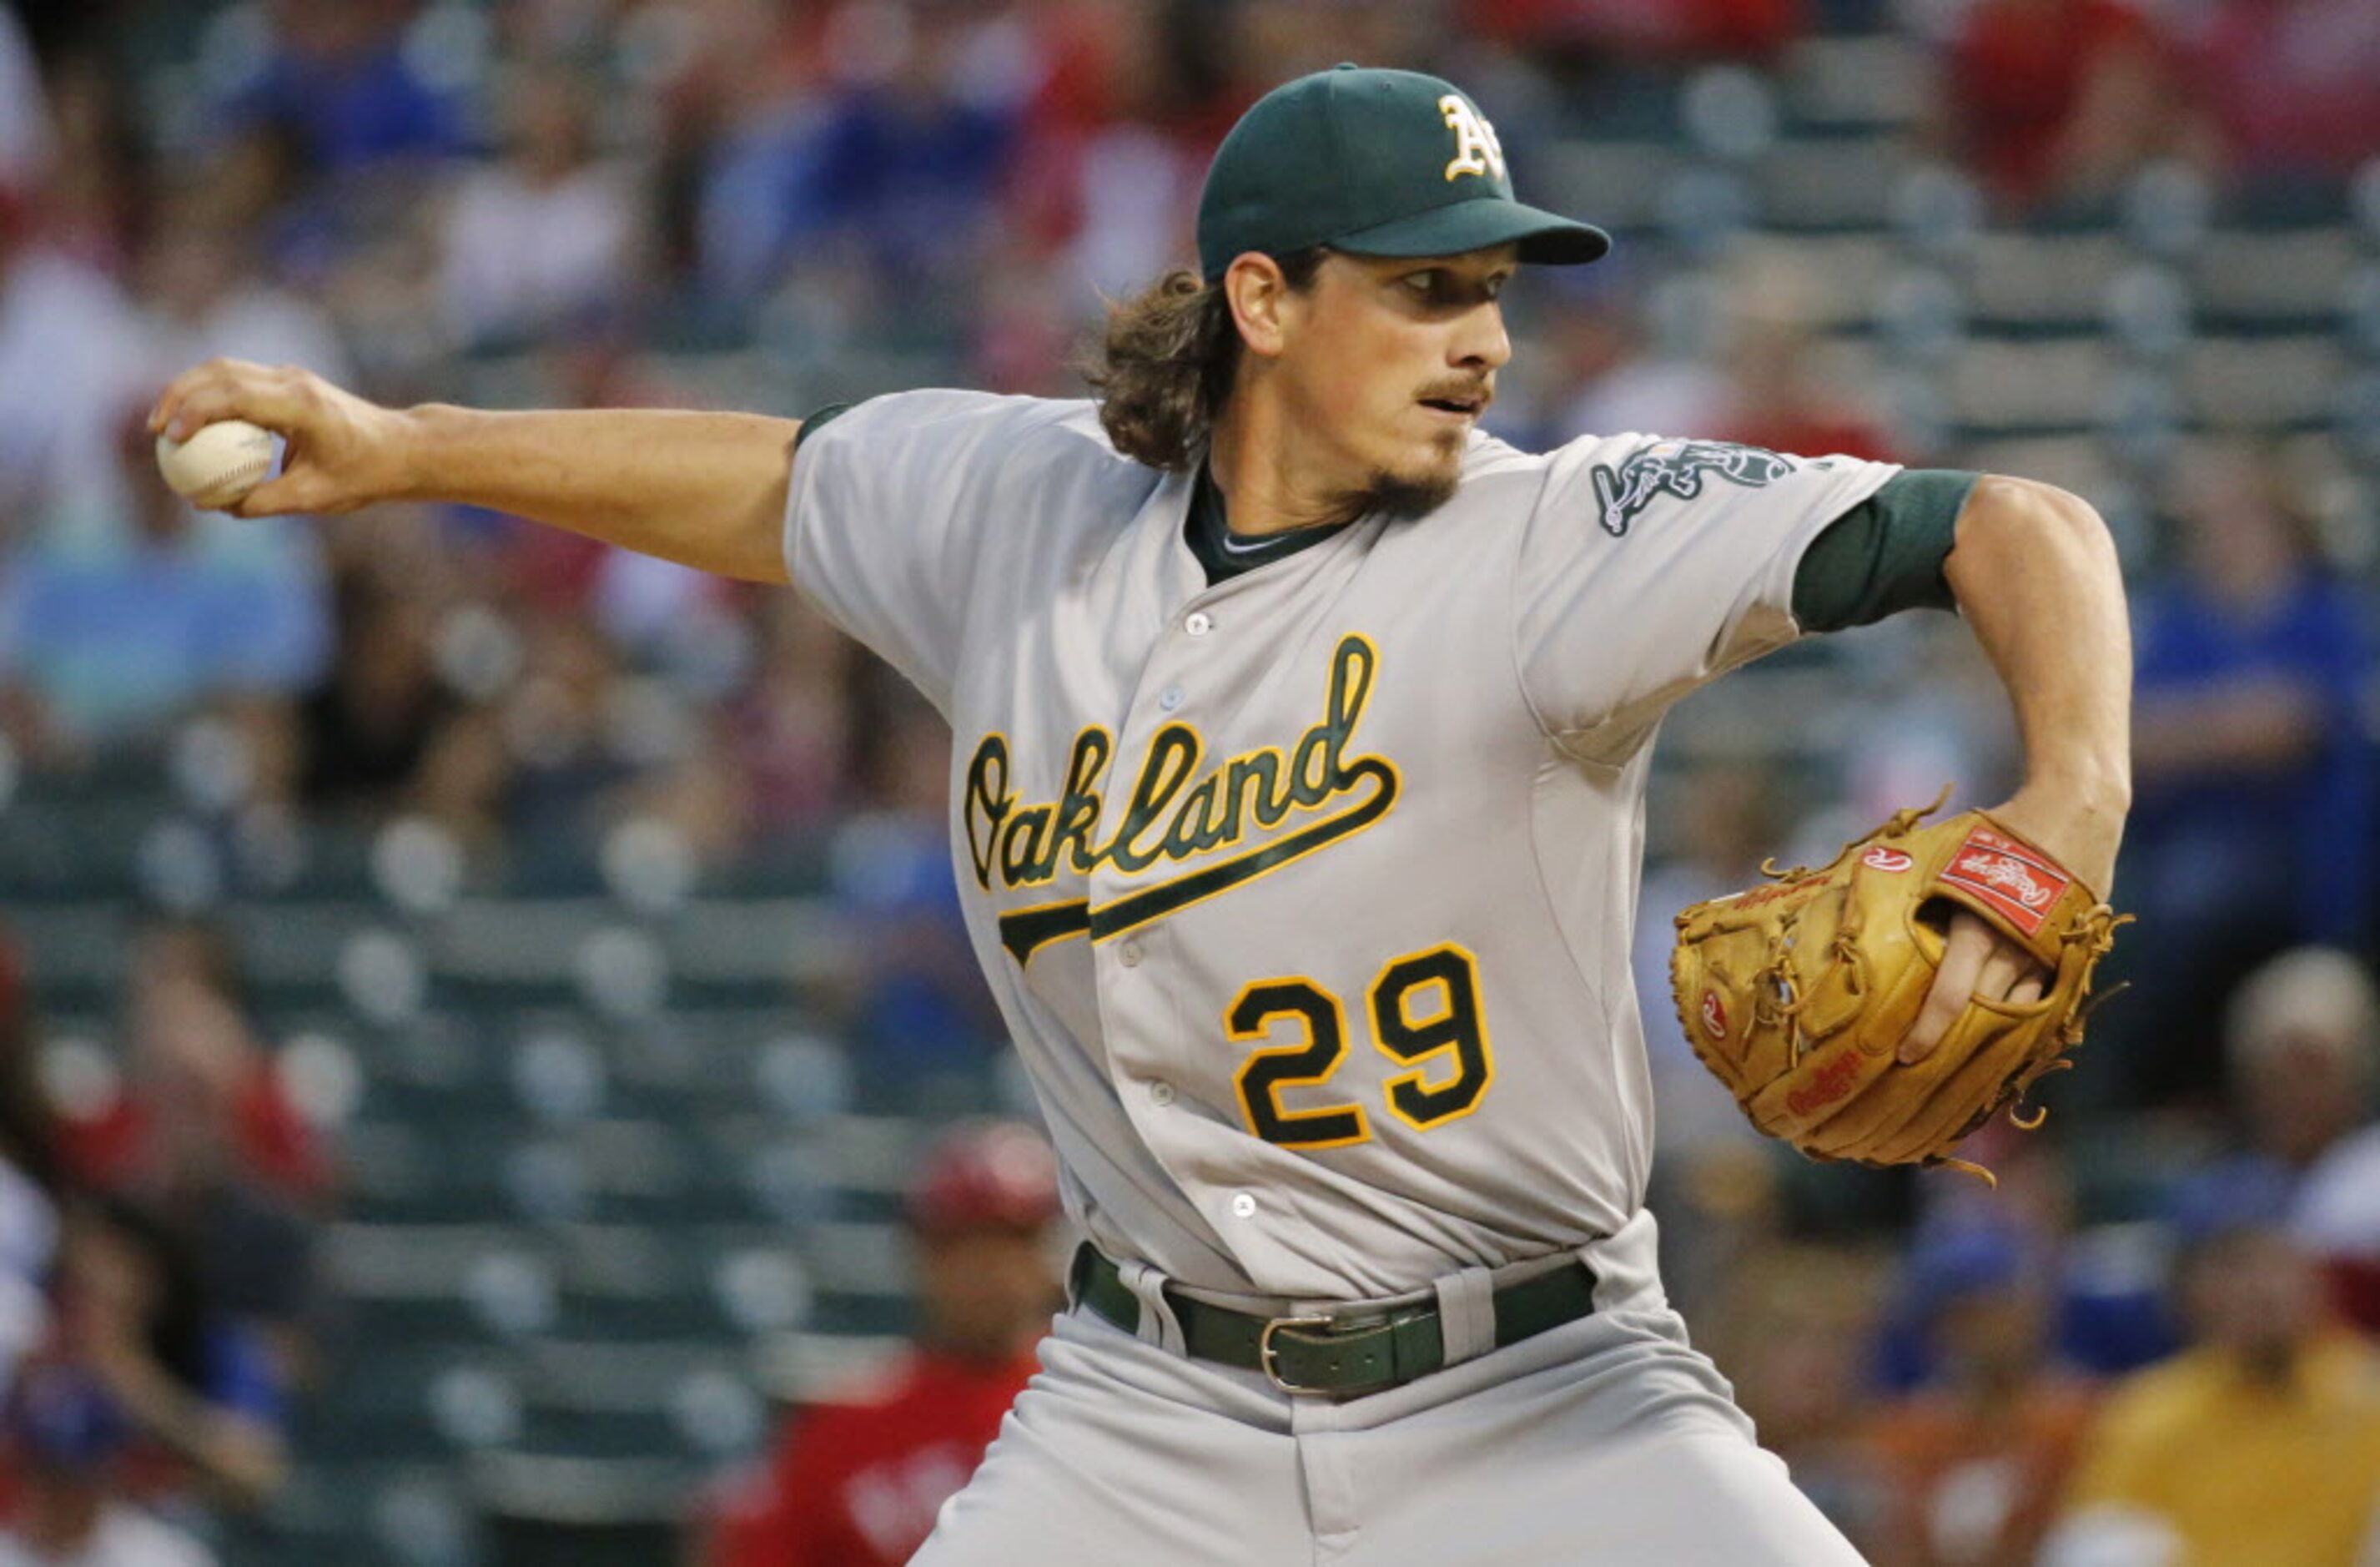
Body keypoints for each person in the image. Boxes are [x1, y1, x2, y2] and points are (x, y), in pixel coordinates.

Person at [151, 63, 2131, 1564]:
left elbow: (2006, 528)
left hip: (1549, 1394)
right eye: (1425, 287)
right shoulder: (1014, 508)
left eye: (1496, 289)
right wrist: (409, 448)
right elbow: (763, 481)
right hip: (1139, 1410)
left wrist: (2064, 799)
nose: (1485, 338)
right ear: (1258, 299)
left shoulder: (1557, 539)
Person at [700, 1120, 1064, 1567]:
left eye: (1014, 1242)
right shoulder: (845, 1429)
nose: (990, 1269)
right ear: (921, 1256)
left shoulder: (1098, 1404)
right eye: (961, 1245)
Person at [2043, 1221, 2380, 1566]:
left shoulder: (2366, 1391)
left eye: (2272, 1275)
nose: (2257, 1293)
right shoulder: (2151, 1412)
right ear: (2191, 1305)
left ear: (2316, 1289)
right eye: (2232, 1279)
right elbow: (2101, 1532)